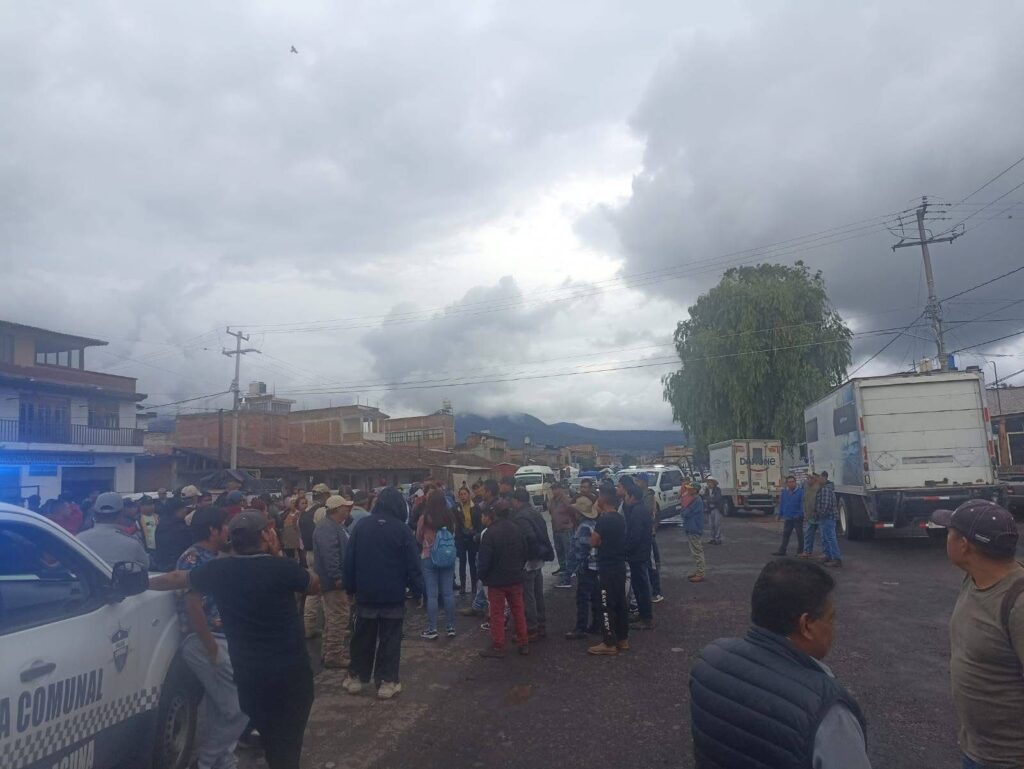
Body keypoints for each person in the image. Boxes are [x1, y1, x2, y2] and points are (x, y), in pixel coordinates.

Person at [148, 510, 320, 769]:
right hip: (290, 675)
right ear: (265, 535)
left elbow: (176, 578)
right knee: (287, 742)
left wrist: (139, 583)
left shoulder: (220, 569)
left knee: (268, 736)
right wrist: (277, 553)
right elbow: (315, 585)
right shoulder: (282, 568)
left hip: (249, 675)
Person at [689, 558, 870, 769]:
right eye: (831, 618)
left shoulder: (710, 659)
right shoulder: (828, 711)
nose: (833, 627)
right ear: (806, 625)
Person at [931, 500, 1024, 769]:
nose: (945, 537)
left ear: (963, 545)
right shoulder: (974, 579)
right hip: (977, 749)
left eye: (949, 532)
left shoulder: (1018, 602)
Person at [175, 506, 247, 769]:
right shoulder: (193, 559)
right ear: (212, 530)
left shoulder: (216, 556)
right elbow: (193, 606)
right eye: (224, 525)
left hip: (222, 637)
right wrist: (211, 647)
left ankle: (223, 760)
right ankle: (205, 761)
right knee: (240, 707)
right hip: (204, 640)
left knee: (221, 708)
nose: (228, 530)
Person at [342, 487, 424, 699]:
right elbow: (413, 565)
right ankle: (387, 682)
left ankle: (356, 678)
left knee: (363, 637)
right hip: (393, 596)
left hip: (366, 594)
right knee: (390, 639)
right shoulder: (402, 530)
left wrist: (349, 588)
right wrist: (418, 591)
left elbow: (349, 561)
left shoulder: (361, 526)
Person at [477, 499, 530, 658]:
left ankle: (498, 646)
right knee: (518, 611)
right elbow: (525, 552)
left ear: (494, 514)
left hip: (496, 581)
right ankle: (524, 642)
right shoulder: (517, 529)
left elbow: (484, 561)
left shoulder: (490, 533)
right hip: (515, 578)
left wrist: (483, 576)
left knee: (497, 613)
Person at [312, 495, 354, 669]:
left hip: (332, 580)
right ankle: (334, 655)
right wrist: (337, 576)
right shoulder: (327, 528)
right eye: (345, 507)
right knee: (338, 617)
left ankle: (329, 652)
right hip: (333, 582)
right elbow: (330, 554)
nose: (348, 510)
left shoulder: (333, 526)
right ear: (337, 509)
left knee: (333, 617)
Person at [588, 486, 629, 656]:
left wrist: (599, 542)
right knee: (620, 602)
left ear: (603, 500)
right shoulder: (620, 518)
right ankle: (623, 639)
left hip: (607, 568)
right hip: (619, 566)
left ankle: (609, 642)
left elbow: (593, 541)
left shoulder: (604, 520)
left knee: (605, 604)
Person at [511, 488, 554, 640]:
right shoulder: (535, 513)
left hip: (529, 561)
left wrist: (526, 557)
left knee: (528, 596)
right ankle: (541, 625)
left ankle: (531, 628)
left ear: (516, 500)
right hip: (538, 559)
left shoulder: (520, 517)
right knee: (537, 594)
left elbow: (529, 538)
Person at [415, 489, 458, 639]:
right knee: (448, 593)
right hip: (447, 556)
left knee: (432, 595)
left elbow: (418, 537)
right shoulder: (450, 517)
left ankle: (432, 629)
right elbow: (454, 534)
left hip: (429, 557)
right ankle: (451, 627)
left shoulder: (425, 517)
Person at [564, 493, 602, 640]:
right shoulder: (593, 524)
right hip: (596, 565)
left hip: (587, 566)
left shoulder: (583, 528)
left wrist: (571, 569)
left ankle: (581, 628)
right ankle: (597, 625)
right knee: (595, 596)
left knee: (583, 598)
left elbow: (582, 550)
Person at [78, 492, 150, 567]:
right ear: (121, 514)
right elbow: (145, 566)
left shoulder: (80, 539)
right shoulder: (133, 543)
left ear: (95, 514)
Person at [620, 476, 654, 630]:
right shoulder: (638, 509)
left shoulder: (637, 512)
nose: (625, 499)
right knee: (639, 585)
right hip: (639, 553)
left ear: (632, 497)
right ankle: (642, 614)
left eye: (627, 496)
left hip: (638, 554)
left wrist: (626, 550)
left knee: (641, 587)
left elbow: (635, 536)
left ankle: (646, 618)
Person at [634, 474, 663, 603]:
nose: (636, 483)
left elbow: (647, 513)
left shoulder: (648, 496)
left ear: (644, 482)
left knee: (652, 564)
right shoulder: (641, 495)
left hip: (648, 534)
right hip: (645, 533)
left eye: (638, 481)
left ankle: (656, 592)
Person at [155, 496, 195, 572]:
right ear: (176, 511)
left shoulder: (161, 524)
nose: (185, 510)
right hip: (176, 566)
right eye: (183, 508)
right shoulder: (179, 528)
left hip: (161, 565)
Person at [549, 482, 577, 587]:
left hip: (566, 529)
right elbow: (550, 511)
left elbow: (573, 512)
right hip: (556, 529)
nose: (554, 491)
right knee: (559, 549)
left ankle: (571, 570)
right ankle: (563, 568)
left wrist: (568, 522)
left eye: (556, 489)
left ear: (560, 489)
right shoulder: (552, 500)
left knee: (568, 550)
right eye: (553, 489)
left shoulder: (566, 499)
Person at [454, 486, 480, 595]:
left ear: (469, 495)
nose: (463, 496)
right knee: (462, 562)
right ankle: (463, 586)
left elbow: (478, 522)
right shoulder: (456, 508)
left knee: (472, 562)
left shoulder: (475, 507)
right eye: (461, 494)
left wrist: (474, 532)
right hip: (461, 537)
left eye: (465, 494)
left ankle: (474, 586)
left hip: (472, 537)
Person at [812, 472, 842, 568]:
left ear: (824, 478)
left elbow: (825, 506)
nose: (817, 479)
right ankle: (827, 555)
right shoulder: (823, 488)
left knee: (830, 538)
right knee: (825, 537)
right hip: (825, 518)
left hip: (827, 518)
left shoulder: (825, 490)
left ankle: (836, 559)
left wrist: (818, 515)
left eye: (819, 477)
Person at [773, 475, 806, 557]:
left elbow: (803, 505)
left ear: (795, 482)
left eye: (793, 482)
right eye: (789, 482)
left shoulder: (801, 492)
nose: (791, 483)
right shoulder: (785, 492)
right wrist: (779, 515)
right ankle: (782, 550)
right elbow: (782, 504)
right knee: (786, 534)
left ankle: (800, 551)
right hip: (788, 517)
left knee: (799, 535)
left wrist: (801, 514)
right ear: (787, 483)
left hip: (797, 517)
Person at [681, 483, 706, 583]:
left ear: (695, 490)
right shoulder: (695, 499)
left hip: (694, 527)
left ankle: (701, 573)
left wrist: (683, 509)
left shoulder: (696, 500)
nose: (688, 491)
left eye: (690, 489)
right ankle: (699, 571)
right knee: (695, 551)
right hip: (692, 527)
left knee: (697, 551)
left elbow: (686, 513)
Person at [800, 474, 823, 559]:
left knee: (823, 536)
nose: (808, 480)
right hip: (810, 516)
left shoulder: (819, 488)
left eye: (810, 478)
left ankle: (826, 553)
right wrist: (805, 513)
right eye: (807, 478)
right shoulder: (806, 487)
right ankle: (807, 551)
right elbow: (805, 501)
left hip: (818, 515)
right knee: (808, 534)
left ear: (815, 479)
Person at [704, 476, 724, 545]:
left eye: (710, 482)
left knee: (717, 524)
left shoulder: (718, 490)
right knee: (711, 525)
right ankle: (712, 538)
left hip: (717, 508)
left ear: (714, 483)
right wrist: (709, 499)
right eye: (708, 482)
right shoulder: (706, 490)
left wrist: (709, 499)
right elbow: (705, 498)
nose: (709, 484)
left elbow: (717, 499)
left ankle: (718, 539)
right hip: (710, 509)